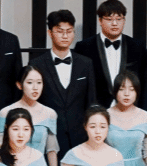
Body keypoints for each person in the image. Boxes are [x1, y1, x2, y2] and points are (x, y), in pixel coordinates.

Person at [28, 10, 98, 155]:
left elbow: (91, 101)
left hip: (80, 137)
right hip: (49, 137)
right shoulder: (37, 64)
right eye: (60, 31)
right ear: (50, 32)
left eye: (69, 31)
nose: (65, 36)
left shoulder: (85, 63)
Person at [75, 0, 147, 107]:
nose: (115, 23)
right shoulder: (84, 48)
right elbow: (79, 85)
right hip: (96, 110)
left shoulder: (137, 47)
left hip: (130, 109)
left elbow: (145, 81)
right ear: (100, 21)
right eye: (109, 19)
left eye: (119, 19)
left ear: (124, 20)